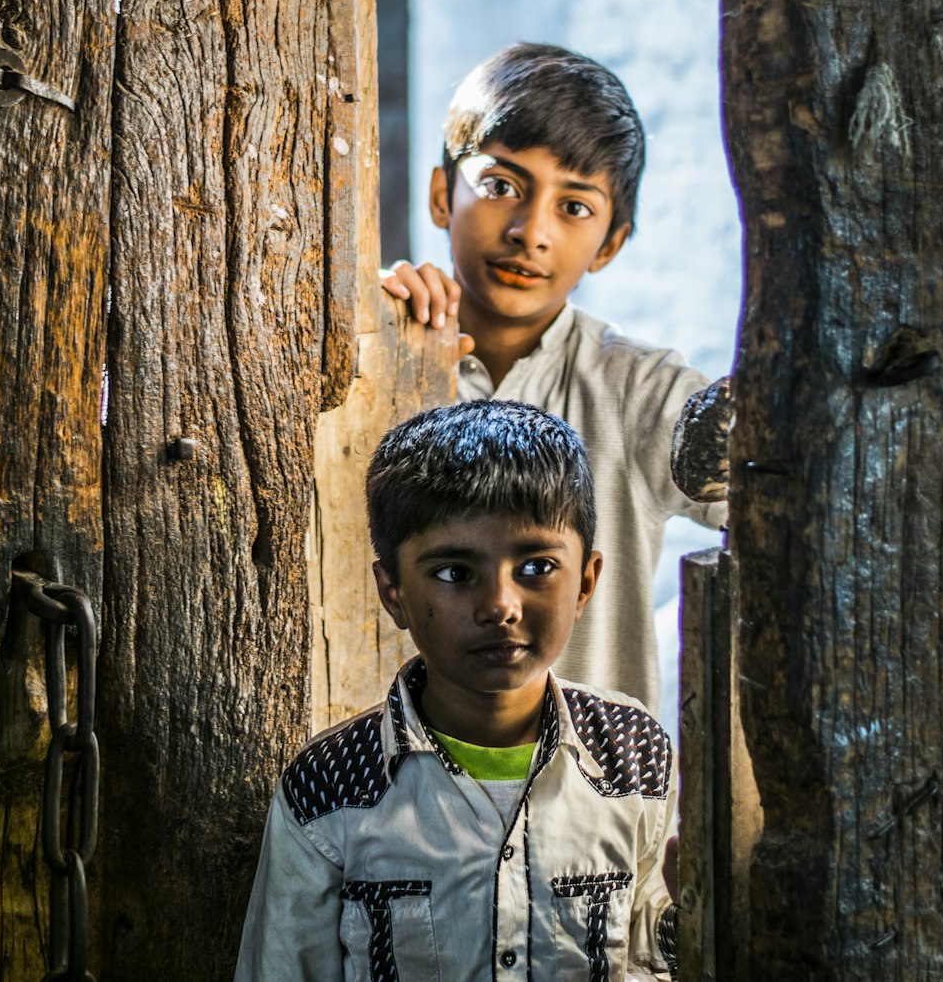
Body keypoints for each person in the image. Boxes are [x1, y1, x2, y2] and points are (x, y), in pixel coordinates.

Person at [234, 399, 680, 982]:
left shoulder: (632, 749)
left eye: (537, 566)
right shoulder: (331, 785)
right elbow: (283, 969)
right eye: (453, 573)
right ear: (392, 592)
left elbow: (649, 940)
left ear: (586, 581)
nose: (500, 605)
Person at [382, 43, 728, 716]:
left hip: (591, 807)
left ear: (610, 244)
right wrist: (359, 331)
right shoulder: (375, 358)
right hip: (392, 801)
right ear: (438, 194)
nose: (529, 231)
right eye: (501, 185)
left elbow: (785, 491)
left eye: (573, 207)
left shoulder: (641, 394)